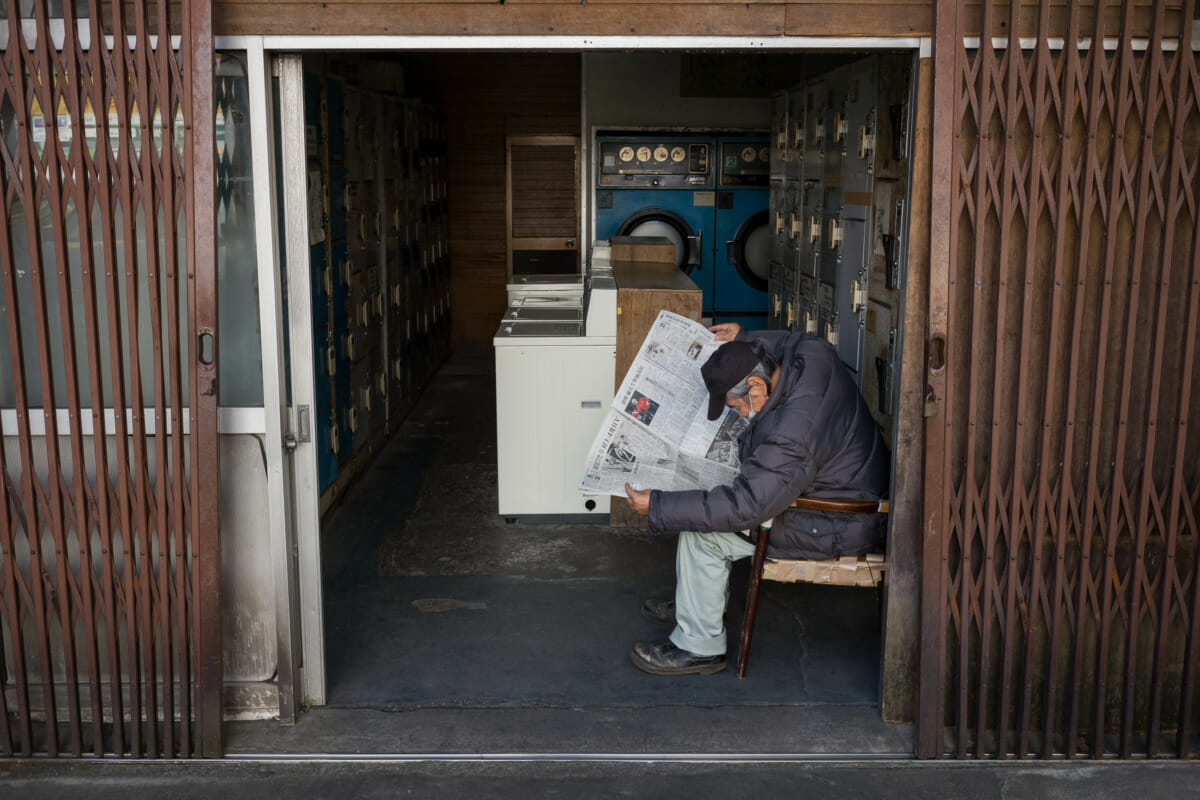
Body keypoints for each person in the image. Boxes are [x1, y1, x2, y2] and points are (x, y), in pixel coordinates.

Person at [623, 322, 889, 676]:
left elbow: (745, 508)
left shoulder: (790, 436)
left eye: (737, 406)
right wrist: (744, 339)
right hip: (853, 486)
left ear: (756, 386)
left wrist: (657, 505)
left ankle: (699, 647)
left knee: (703, 533)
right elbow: (797, 339)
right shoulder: (813, 357)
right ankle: (697, 602)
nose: (740, 413)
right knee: (713, 497)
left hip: (837, 520)